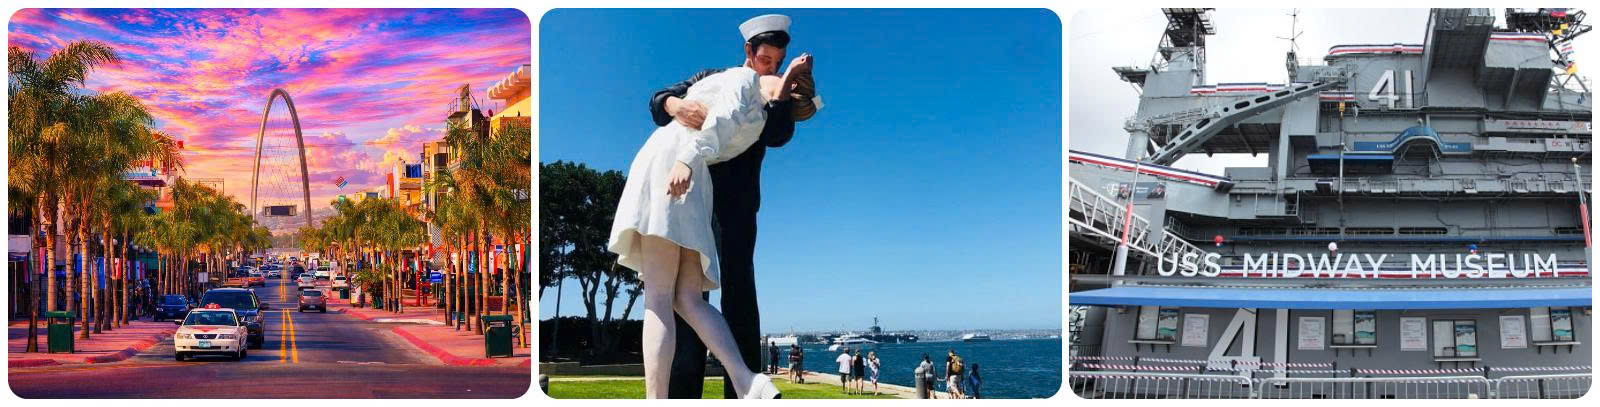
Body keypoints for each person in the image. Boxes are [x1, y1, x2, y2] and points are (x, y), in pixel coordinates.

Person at [609, 14, 813, 399]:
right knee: (686, 297)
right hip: (688, 189)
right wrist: (676, 105)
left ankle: (740, 385)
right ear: (748, 51)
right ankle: (696, 389)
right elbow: (660, 101)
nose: (770, 68)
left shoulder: (770, 92)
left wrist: (784, 93)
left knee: (732, 292)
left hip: (731, 203)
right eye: (765, 59)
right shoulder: (721, 77)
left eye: (777, 62)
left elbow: (778, 134)